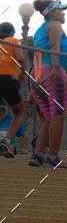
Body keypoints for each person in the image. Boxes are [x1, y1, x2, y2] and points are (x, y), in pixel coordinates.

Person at [29, 0, 67, 168]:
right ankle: (53, 157)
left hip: (37, 74)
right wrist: (56, 67)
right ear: (51, 12)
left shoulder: (40, 30)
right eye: (60, 10)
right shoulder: (55, 25)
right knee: (58, 115)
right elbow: (55, 47)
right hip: (53, 72)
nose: (63, 12)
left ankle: (38, 155)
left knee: (48, 117)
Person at [0, 22, 27, 158]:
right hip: (8, 78)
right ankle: (6, 141)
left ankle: (7, 145)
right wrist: (22, 73)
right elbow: (21, 59)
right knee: (19, 112)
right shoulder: (13, 41)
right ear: (12, 33)